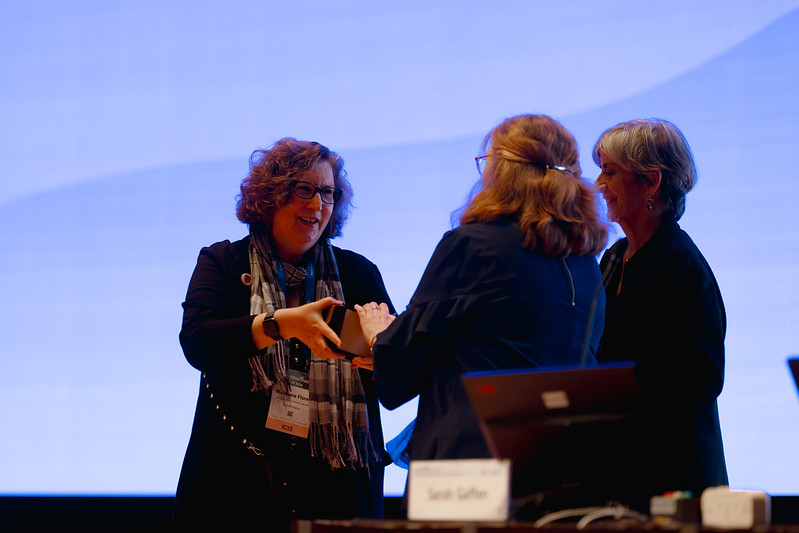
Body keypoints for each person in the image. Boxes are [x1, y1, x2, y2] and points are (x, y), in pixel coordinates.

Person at [356, 114, 608, 496]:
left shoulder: (474, 245)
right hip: (555, 471)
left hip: (467, 475)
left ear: (501, 171)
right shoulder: (585, 262)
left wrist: (379, 335)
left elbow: (403, 363)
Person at [173, 138, 394, 531]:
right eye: (304, 189)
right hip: (237, 484)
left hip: (339, 486)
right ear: (271, 195)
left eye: (327, 193)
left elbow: (395, 381)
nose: (317, 205)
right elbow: (198, 343)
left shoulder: (358, 274)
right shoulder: (223, 263)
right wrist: (280, 324)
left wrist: (384, 355)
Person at [592, 119, 728, 506]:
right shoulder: (614, 257)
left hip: (672, 481)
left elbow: (702, 380)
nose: (599, 185)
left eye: (610, 172)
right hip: (621, 474)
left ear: (650, 182)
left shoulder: (682, 266)